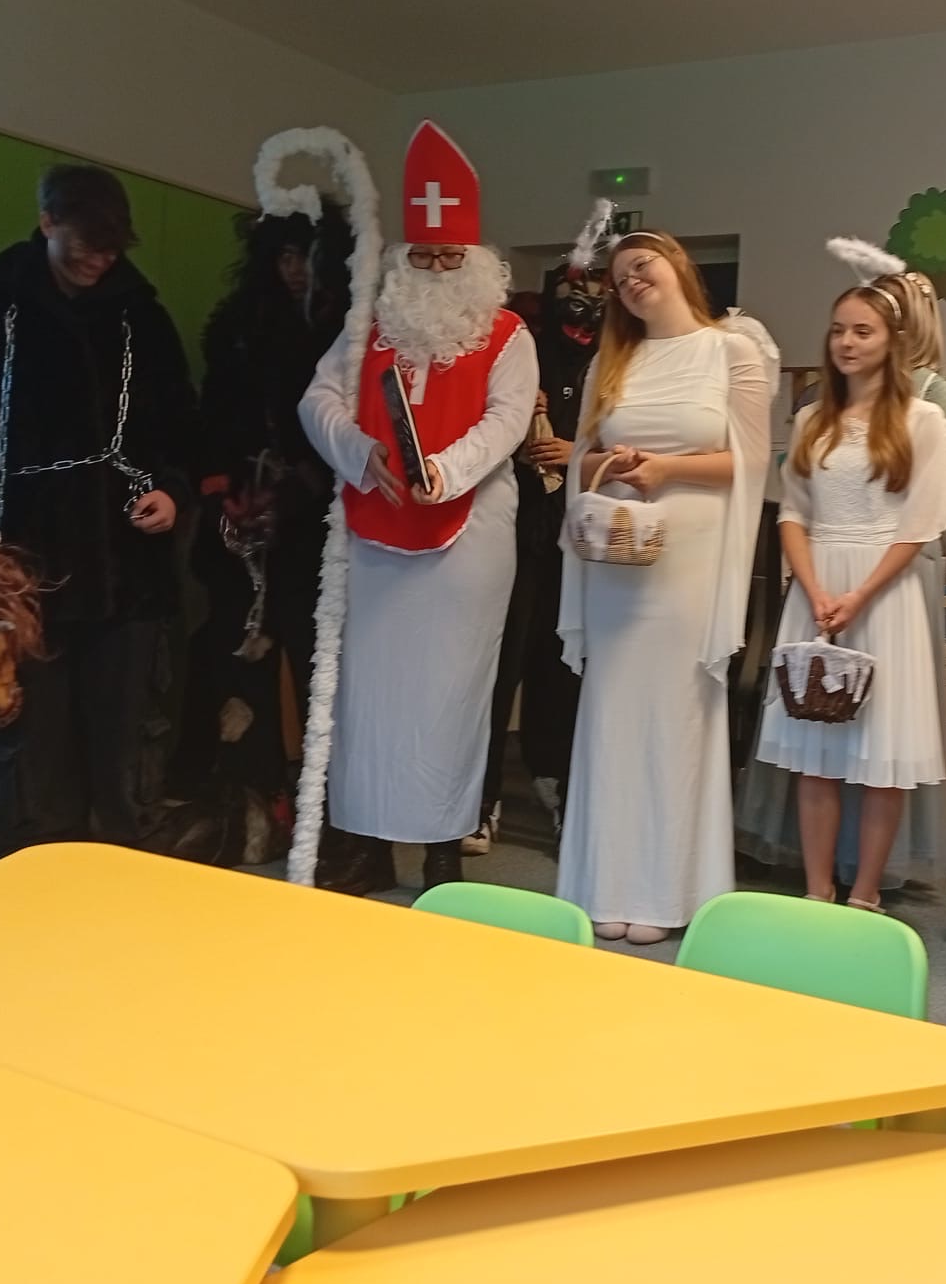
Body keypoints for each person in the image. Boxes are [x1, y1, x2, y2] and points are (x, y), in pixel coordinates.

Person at [0, 164, 198, 851]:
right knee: (28, 751)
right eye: (85, 244)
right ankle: (31, 880)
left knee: (124, 746)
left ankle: (119, 879)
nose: (99, 261)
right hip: (16, 560)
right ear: (46, 223)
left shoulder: (141, 316)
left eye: (111, 248)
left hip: (124, 565)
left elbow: (183, 427)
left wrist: (172, 491)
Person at [297, 121, 538, 895]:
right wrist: (358, 450)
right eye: (423, 256)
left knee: (450, 694)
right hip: (376, 535)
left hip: (469, 540)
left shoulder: (509, 333)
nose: (435, 270)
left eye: (449, 257)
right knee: (370, 697)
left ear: (476, 259)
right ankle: (367, 845)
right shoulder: (366, 328)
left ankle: (440, 847)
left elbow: (508, 419)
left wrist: (447, 470)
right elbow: (317, 401)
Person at [555, 231, 776, 943]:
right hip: (620, 560)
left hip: (691, 560)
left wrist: (668, 469)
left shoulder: (733, 350)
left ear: (677, 265)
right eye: (619, 277)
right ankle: (605, 884)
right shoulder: (612, 362)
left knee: (676, 715)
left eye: (641, 264)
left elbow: (751, 464)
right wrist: (613, 466)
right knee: (614, 714)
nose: (631, 280)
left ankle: (666, 891)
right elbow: (580, 458)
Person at [737, 247, 946, 895]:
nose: (846, 342)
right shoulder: (813, 418)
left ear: (892, 340)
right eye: (838, 330)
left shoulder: (924, 420)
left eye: (862, 331)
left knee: (880, 757)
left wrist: (860, 595)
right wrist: (814, 590)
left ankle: (865, 891)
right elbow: (793, 514)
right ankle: (819, 888)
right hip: (817, 590)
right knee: (816, 749)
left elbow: (919, 525)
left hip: (885, 593)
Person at [175, 200, 352, 856]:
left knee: (315, 661)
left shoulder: (347, 329)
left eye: (306, 257)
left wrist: (302, 486)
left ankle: (320, 811)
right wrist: (221, 487)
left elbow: (350, 428)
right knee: (233, 652)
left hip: (319, 522)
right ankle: (243, 799)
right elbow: (214, 415)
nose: (294, 269)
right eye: (283, 256)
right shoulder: (238, 327)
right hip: (240, 514)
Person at [471, 233, 606, 854]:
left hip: (582, 540)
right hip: (517, 530)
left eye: (595, 299)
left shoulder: (617, 364)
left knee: (564, 666)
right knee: (502, 664)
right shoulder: (523, 352)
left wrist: (577, 450)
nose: (583, 312)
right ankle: (481, 798)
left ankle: (558, 786)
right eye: (572, 298)